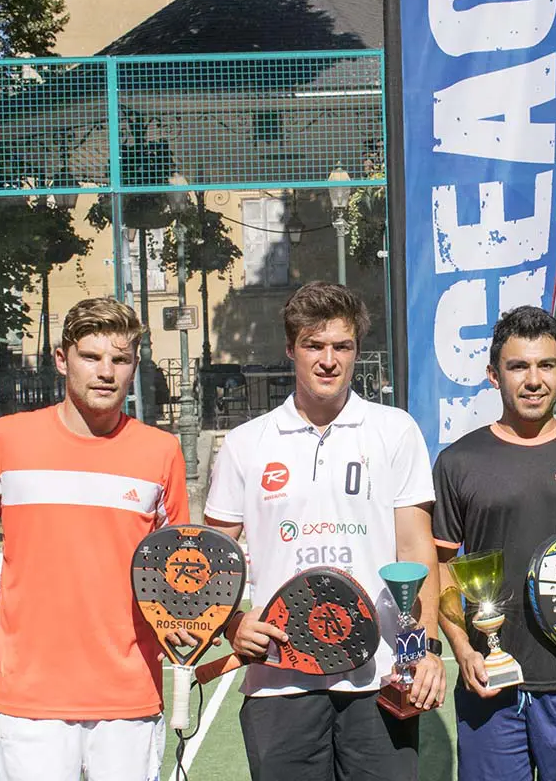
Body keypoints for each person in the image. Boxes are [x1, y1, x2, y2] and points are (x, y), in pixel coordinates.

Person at [0, 297, 191, 781]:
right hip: (27, 694)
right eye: (91, 356)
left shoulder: (161, 451)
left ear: (134, 366)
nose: (106, 371)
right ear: (62, 359)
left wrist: (184, 618)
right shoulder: (8, 438)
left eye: (120, 359)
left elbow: (179, 562)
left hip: (128, 691)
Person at [204, 281, 445, 781]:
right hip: (279, 679)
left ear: (357, 350)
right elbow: (215, 558)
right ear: (290, 349)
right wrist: (232, 626)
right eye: (314, 345)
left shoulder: (394, 429)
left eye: (342, 346)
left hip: (380, 675)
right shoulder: (246, 444)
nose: (329, 360)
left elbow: (416, 546)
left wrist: (424, 650)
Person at [433, 305, 556, 781]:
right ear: (493, 375)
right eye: (518, 366)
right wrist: (462, 647)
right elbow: (442, 566)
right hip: (489, 685)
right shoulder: (458, 462)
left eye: (546, 365)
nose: (533, 379)